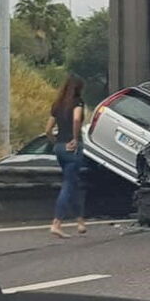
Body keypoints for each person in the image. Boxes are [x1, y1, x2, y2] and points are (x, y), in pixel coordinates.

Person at [45, 74, 87, 239]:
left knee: (73, 181)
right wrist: (75, 139)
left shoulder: (57, 105)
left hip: (59, 148)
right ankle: (57, 223)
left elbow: (47, 130)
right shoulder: (77, 102)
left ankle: (80, 221)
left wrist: (55, 142)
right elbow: (77, 119)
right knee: (69, 184)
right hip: (72, 148)